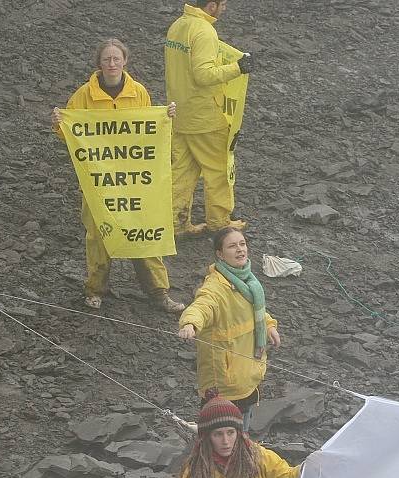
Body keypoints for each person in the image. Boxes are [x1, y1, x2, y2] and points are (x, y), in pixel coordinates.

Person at [52, 38, 185, 313]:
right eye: (106, 59)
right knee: (99, 234)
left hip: (135, 182)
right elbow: (72, 133)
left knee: (144, 232)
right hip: (99, 181)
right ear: (98, 63)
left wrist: (166, 116)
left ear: (125, 61)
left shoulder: (139, 92)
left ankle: (159, 292)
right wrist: (59, 124)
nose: (112, 64)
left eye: (116, 59)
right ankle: (95, 289)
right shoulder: (83, 96)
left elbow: (150, 130)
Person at [165, 0, 252, 235]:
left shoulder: (177, 26)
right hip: (204, 115)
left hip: (179, 112)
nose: (224, 8)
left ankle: (175, 222)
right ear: (211, 6)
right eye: (222, 4)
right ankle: (220, 222)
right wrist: (238, 67)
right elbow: (203, 75)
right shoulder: (204, 31)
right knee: (217, 170)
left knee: (183, 171)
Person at [178, 227, 279, 431]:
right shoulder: (216, 286)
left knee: (242, 425)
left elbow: (254, 312)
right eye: (232, 246)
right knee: (220, 432)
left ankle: (239, 450)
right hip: (225, 379)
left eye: (242, 244)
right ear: (220, 254)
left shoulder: (247, 281)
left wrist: (268, 326)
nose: (240, 250)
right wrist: (190, 323)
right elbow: (202, 306)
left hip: (247, 371)